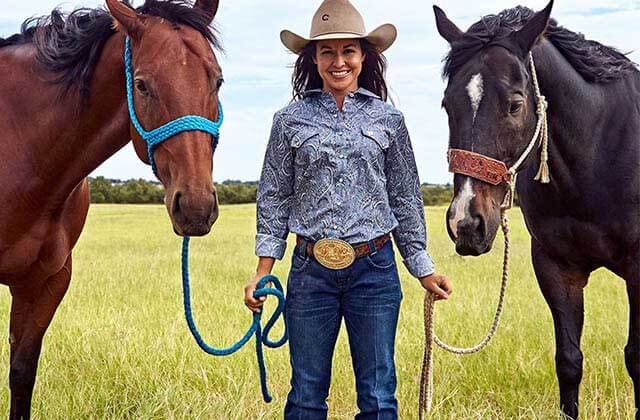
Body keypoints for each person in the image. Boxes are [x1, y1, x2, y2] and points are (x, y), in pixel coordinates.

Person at [244, 0, 452, 418]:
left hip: (374, 271)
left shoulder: (389, 120)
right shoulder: (289, 120)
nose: (338, 61)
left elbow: (406, 197)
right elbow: (274, 196)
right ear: (314, 59)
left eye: (348, 51)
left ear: (363, 57)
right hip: (310, 272)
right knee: (305, 393)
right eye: (327, 52)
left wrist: (423, 267)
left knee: (377, 396)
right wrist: (262, 273)